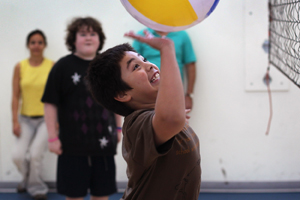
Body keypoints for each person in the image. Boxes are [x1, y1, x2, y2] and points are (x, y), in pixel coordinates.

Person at [86, 30, 201, 200]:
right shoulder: (137, 124)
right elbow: (170, 118)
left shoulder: (159, 117)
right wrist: (167, 49)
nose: (149, 65)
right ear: (122, 94)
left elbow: (170, 117)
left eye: (144, 59)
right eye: (136, 67)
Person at [41, 17, 122, 200]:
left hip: (104, 146)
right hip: (72, 147)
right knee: (74, 196)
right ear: (73, 39)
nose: (88, 38)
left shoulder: (108, 67)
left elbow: (117, 100)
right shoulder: (62, 66)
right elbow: (50, 103)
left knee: (102, 195)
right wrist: (52, 137)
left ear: (99, 39)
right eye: (83, 34)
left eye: (93, 34)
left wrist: (118, 128)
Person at [11, 29, 54, 200]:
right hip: (25, 119)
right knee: (18, 156)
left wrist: (56, 121)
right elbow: (15, 96)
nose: (36, 46)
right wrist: (15, 121)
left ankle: (37, 189)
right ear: (28, 45)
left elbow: (56, 96)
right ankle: (28, 180)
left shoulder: (51, 66)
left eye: (40, 42)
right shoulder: (20, 66)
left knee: (36, 154)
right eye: (33, 42)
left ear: (44, 45)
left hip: (46, 119)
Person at [132, 27, 197, 109]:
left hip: (174, 93)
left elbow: (190, 64)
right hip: (148, 94)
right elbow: (133, 64)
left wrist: (189, 94)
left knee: (174, 120)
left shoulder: (182, 35)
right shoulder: (142, 35)